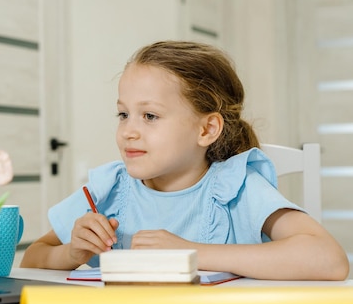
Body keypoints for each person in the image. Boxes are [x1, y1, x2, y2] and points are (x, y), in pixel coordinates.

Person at [21, 40, 349, 280]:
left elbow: (329, 260)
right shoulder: (110, 188)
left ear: (207, 129)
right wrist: (72, 253)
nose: (128, 132)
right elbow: (32, 258)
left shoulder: (235, 187)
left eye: (149, 115)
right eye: (123, 114)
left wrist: (191, 252)